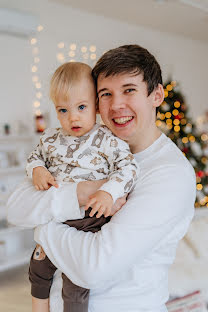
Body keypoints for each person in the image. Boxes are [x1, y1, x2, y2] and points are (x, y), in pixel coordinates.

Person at [7, 44, 196, 312]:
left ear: (156, 95)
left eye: (129, 90)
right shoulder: (80, 146)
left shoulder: (171, 174)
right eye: (106, 94)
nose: (116, 105)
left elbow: (94, 267)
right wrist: (81, 193)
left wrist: (41, 225)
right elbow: (14, 209)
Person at [23, 62, 139, 312]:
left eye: (81, 107)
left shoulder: (107, 138)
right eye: (63, 110)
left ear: (96, 107)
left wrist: (109, 191)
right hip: (56, 216)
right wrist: (38, 170)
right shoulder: (51, 138)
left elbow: (128, 168)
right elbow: (34, 157)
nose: (72, 117)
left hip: (89, 219)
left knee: (76, 281)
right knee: (38, 269)